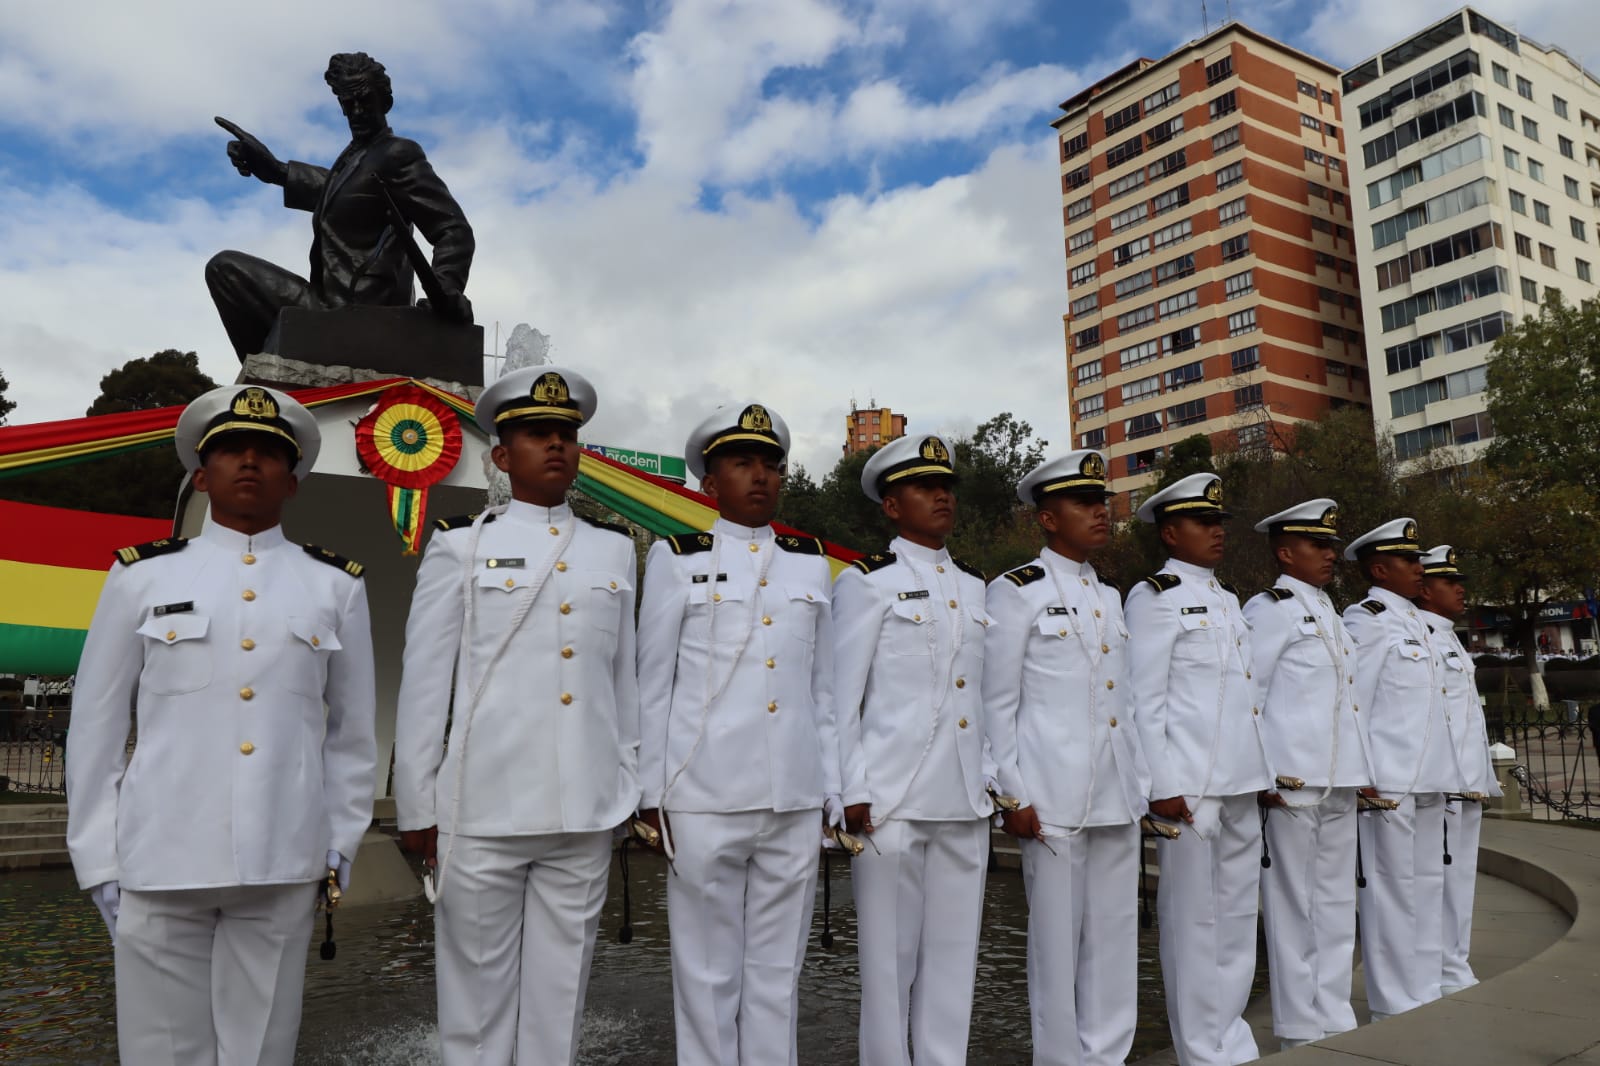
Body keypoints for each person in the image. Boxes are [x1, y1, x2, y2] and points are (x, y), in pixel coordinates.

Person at [66, 384, 376, 1066]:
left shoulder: (335, 586)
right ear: (200, 476)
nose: (249, 462)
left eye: (268, 453)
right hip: (159, 854)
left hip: (282, 854)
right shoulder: (140, 577)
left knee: (262, 1048)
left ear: (291, 481)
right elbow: (94, 724)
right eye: (230, 450)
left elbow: (353, 735)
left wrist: (341, 840)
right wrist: (97, 855)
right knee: (159, 1051)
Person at [393, 367, 640, 1065]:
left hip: (584, 808)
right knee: (474, 1011)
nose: (557, 446)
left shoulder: (614, 549)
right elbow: (424, 683)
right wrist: (418, 805)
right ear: (502, 456)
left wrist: (629, 783)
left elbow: (623, 683)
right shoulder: (458, 546)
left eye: (566, 435)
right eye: (538, 435)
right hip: (484, 807)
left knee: (561, 1009)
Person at [635, 402, 842, 1066]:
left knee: (778, 978)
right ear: (709, 482)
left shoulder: (811, 565)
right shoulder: (677, 558)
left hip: (793, 795)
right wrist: (650, 794)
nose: (760, 476)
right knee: (706, 976)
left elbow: (826, 692)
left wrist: (833, 790)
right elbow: (653, 683)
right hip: (703, 795)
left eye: (770, 464)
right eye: (741, 463)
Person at [985, 450, 1151, 1066]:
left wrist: (1140, 784)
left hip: (1113, 792)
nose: (1100, 513)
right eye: (1084, 504)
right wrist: (1011, 792)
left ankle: (1107, 1055)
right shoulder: (1015, 591)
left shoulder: (1108, 595)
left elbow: (1125, 704)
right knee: (1056, 947)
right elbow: (997, 700)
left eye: (1101, 502)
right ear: (1048, 519)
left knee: (1112, 940)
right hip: (1050, 796)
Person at [832, 433, 994, 1066]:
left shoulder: (976, 587)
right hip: (890, 801)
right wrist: (851, 788)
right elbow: (841, 697)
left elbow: (979, 699)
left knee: (954, 968)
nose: (941, 496)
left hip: (961, 800)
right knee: (888, 971)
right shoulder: (867, 583)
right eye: (924, 487)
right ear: (891, 506)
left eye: (946, 486)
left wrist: (990, 780)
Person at [1124, 472, 1272, 1066]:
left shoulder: (1228, 599)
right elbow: (1143, 699)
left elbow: (1246, 698)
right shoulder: (1153, 596)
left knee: (1237, 921)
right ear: (1169, 531)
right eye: (1203, 522)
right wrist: (1160, 785)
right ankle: (1200, 1051)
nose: (1216, 532)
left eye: (1219, 522)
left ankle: (1231, 1039)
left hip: (1238, 782)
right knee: (1192, 924)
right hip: (1189, 789)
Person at [207, 51, 475, 359]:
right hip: (327, 305)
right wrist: (276, 171)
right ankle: (264, 378)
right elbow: (341, 191)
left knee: (224, 266)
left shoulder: (397, 154)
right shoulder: (355, 157)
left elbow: (452, 228)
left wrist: (446, 288)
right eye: (348, 105)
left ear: (385, 101)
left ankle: (267, 377)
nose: (357, 112)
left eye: (365, 101)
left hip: (360, 315)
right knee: (224, 272)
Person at [1243, 499, 1373, 1050]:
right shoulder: (1269, 608)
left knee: (1338, 902)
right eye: (1316, 546)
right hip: (1292, 780)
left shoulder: (1330, 612)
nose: (1329, 555)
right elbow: (1253, 694)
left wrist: (1363, 766)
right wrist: (1263, 772)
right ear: (1284, 551)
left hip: (1339, 776)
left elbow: (1350, 702)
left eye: (1329, 545)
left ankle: (1334, 1010)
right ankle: (1299, 1023)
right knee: (1294, 904)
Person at [1342, 518, 1457, 1020]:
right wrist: (1362, 771)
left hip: (1430, 776)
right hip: (1389, 780)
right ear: (1379, 568)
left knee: (1428, 885)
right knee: (1391, 893)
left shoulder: (1416, 622)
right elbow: (1356, 702)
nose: (1419, 568)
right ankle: (1394, 1001)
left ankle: (1425, 984)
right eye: (1410, 561)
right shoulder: (1367, 620)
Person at [1414, 544, 1500, 996]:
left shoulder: (1447, 635)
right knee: (1437, 880)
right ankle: (1440, 966)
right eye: (1450, 582)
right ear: (1425, 589)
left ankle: (1455, 962)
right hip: (1442, 782)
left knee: (1459, 879)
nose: (1460, 589)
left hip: (1466, 781)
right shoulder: (1421, 636)